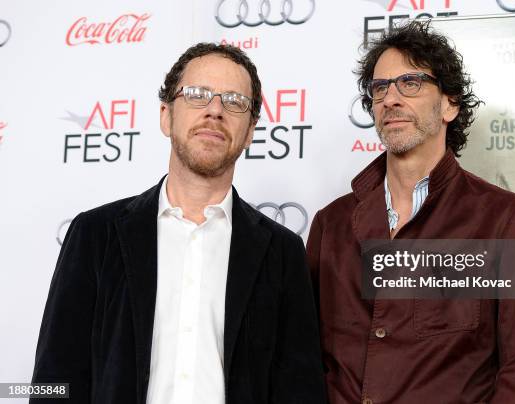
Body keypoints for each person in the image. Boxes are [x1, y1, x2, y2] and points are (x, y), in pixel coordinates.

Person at [31, 43, 326, 404]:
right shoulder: (95, 234)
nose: (215, 110)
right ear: (166, 115)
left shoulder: (281, 251)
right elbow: (55, 379)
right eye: (198, 95)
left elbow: (299, 389)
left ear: (250, 132)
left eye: (234, 100)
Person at [306, 21, 515, 403]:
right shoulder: (331, 224)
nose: (390, 99)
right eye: (380, 88)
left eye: (410, 83)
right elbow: (303, 361)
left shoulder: (508, 221)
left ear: (449, 104)